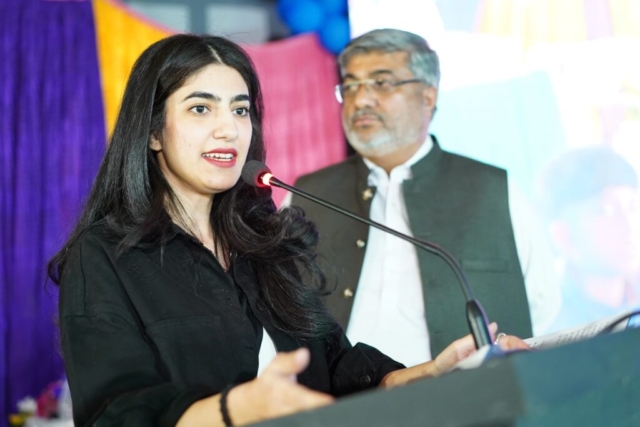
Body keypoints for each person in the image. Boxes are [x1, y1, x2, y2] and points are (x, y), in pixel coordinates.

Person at [48, 34, 526, 427]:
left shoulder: (265, 242)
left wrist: (426, 375)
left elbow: (333, 364)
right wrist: (237, 408)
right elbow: (115, 414)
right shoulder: (105, 255)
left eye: (240, 110)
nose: (228, 130)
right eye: (200, 109)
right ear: (153, 132)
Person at [290, 28, 560, 366]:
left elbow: (541, 303)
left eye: (381, 83)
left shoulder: (493, 188)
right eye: (351, 85)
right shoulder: (305, 195)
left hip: (463, 391)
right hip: (338, 396)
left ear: (428, 97)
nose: (360, 100)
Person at [539, 145, 640, 331]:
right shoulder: (551, 329)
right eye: (607, 211)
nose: (629, 225)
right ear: (562, 235)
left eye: (632, 206)